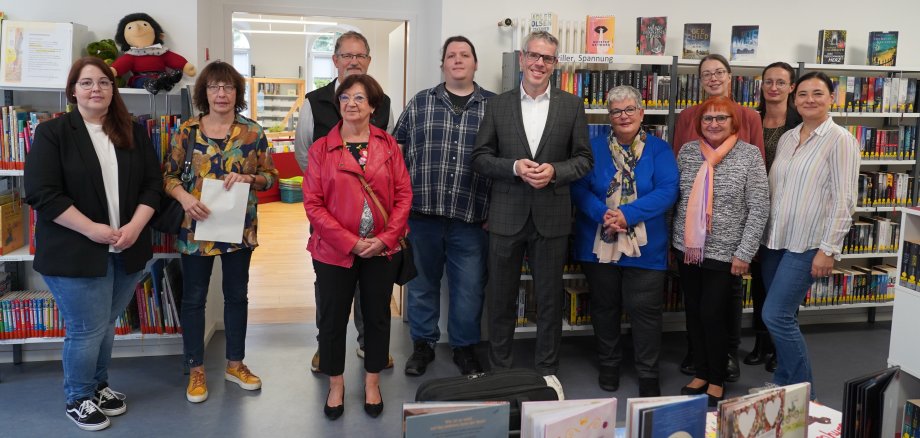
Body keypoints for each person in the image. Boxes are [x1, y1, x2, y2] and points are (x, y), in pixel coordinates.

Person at [23, 56, 163, 431]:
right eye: (86, 83)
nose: (95, 89)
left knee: (104, 325)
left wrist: (134, 226)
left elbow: (153, 185)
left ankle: (98, 387)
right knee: (86, 329)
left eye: (103, 82)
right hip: (76, 251)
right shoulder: (53, 133)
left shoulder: (131, 130)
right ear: (73, 91)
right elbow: (41, 194)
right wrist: (92, 230)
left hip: (127, 246)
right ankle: (78, 397)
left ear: (113, 89)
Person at [472, 30, 593, 376]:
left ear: (555, 64)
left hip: (551, 219)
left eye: (548, 58)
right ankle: (501, 371)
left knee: (550, 300)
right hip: (505, 217)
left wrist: (555, 171)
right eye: (535, 56)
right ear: (523, 58)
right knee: (501, 300)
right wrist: (512, 167)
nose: (540, 63)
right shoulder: (497, 105)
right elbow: (480, 158)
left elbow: (584, 159)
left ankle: (547, 372)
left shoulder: (572, 105)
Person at [163, 61, 278, 404]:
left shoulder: (253, 132)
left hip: (238, 229)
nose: (222, 94)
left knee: (236, 296)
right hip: (195, 229)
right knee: (194, 299)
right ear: (204, 92)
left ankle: (235, 363)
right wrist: (184, 197)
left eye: (228, 87)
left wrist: (250, 178)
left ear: (237, 93)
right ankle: (196, 368)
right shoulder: (187, 131)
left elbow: (271, 176)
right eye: (214, 87)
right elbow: (167, 176)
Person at [303, 73, 411, 420]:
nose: (352, 103)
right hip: (333, 251)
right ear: (338, 105)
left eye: (360, 98)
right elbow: (313, 204)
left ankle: (372, 381)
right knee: (332, 319)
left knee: (378, 318)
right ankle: (336, 383)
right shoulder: (322, 149)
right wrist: (350, 241)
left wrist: (384, 238)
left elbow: (404, 195)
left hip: (382, 250)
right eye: (346, 97)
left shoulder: (389, 147)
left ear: (374, 107)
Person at [294, 30, 395, 372]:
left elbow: (390, 162)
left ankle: (370, 344)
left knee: (372, 284)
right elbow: (306, 156)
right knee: (330, 286)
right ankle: (328, 347)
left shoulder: (383, 103)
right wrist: (332, 194)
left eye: (360, 56)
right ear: (334, 60)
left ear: (368, 61)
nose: (353, 61)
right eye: (346, 55)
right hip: (329, 215)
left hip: (374, 219)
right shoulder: (313, 101)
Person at [394, 36, 495, 376]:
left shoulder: (494, 108)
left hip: (472, 218)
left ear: (475, 63)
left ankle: (464, 349)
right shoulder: (421, 103)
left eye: (465, 54)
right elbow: (396, 152)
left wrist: (494, 211)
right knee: (422, 286)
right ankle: (423, 346)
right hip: (422, 216)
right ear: (443, 64)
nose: (457, 60)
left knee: (468, 289)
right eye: (451, 55)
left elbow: (504, 161)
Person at [571, 86, 678, 397]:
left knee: (645, 311)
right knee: (605, 308)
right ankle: (609, 364)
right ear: (609, 117)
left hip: (645, 248)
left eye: (630, 109)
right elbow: (579, 189)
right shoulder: (592, 149)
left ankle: (648, 371)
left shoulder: (660, 150)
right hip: (599, 243)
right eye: (616, 111)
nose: (623, 116)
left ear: (642, 113)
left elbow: (668, 191)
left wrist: (626, 215)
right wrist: (604, 214)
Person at [761, 72, 859, 399]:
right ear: (794, 98)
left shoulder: (840, 139)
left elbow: (845, 199)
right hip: (775, 240)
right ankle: (783, 387)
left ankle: (806, 397)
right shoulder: (788, 138)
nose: (809, 100)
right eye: (802, 94)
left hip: (808, 243)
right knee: (781, 317)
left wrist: (828, 249)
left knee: (775, 315)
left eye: (818, 93)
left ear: (832, 97)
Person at [672, 54, 765, 381]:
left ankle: (723, 364)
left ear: (729, 76)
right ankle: (701, 367)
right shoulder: (687, 147)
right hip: (690, 246)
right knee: (696, 311)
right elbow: (677, 191)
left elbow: (759, 203)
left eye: (719, 72)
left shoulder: (748, 145)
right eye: (706, 74)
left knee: (717, 311)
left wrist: (745, 251)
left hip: (727, 249)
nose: (713, 123)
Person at [745, 62, 801, 372]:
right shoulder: (751, 119)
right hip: (755, 211)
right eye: (769, 81)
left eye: (781, 82)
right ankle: (761, 342)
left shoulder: (799, 124)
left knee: (784, 282)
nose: (774, 87)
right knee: (760, 283)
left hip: (785, 211)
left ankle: (782, 346)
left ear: (792, 87)